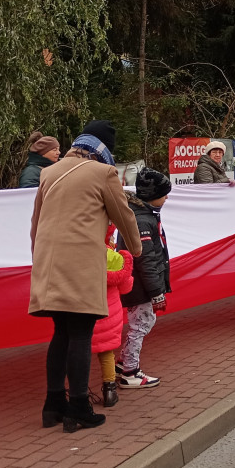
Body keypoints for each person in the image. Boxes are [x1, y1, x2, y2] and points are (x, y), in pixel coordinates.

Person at [29, 119, 143, 432]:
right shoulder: (103, 173)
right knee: (81, 333)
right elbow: (124, 216)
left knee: (61, 333)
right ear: (104, 151)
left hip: (49, 265)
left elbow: (35, 223)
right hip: (80, 265)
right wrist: (135, 249)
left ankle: (53, 405)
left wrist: (38, 258)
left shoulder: (49, 172)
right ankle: (79, 406)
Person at [115, 168, 172, 389]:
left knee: (143, 322)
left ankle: (123, 362)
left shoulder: (143, 216)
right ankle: (130, 370)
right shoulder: (142, 221)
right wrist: (157, 292)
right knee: (141, 324)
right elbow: (145, 260)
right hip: (140, 286)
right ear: (152, 195)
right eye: (164, 193)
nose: (167, 198)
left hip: (140, 284)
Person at [90, 233, 133, 408]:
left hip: (87, 311)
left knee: (81, 351)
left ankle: (81, 393)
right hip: (109, 313)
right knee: (107, 353)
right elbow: (126, 286)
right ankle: (109, 391)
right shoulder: (114, 258)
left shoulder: (82, 254)